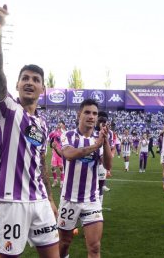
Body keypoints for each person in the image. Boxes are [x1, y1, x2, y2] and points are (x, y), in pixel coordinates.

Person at [0, 0, 59, 257]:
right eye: (25, 78)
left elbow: (41, 163)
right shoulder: (6, 108)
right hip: (10, 202)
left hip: (40, 200)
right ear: (17, 85)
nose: (30, 82)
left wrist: (50, 198)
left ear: (43, 87)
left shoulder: (41, 121)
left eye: (36, 79)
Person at [58, 99, 112, 258]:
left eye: (94, 113)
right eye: (87, 112)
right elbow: (69, 155)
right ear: (79, 114)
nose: (91, 116)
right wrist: (95, 146)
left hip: (91, 200)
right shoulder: (67, 135)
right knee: (64, 243)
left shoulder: (99, 138)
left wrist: (105, 142)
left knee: (95, 248)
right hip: (69, 199)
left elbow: (108, 165)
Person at [96, 111, 114, 203]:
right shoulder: (91, 130)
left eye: (104, 118)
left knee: (100, 185)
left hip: (102, 163)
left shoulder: (109, 133)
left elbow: (110, 146)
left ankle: (99, 207)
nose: (102, 120)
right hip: (92, 162)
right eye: (100, 117)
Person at [48, 121, 66, 188]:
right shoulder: (55, 132)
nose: (59, 126)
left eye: (61, 125)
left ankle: (62, 182)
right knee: (52, 167)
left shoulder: (65, 133)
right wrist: (51, 143)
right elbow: (49, 137)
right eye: (59, 125)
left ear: (64, 126)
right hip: (55, 152)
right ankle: (55, 180)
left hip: (61, 152)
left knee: (61, 167)